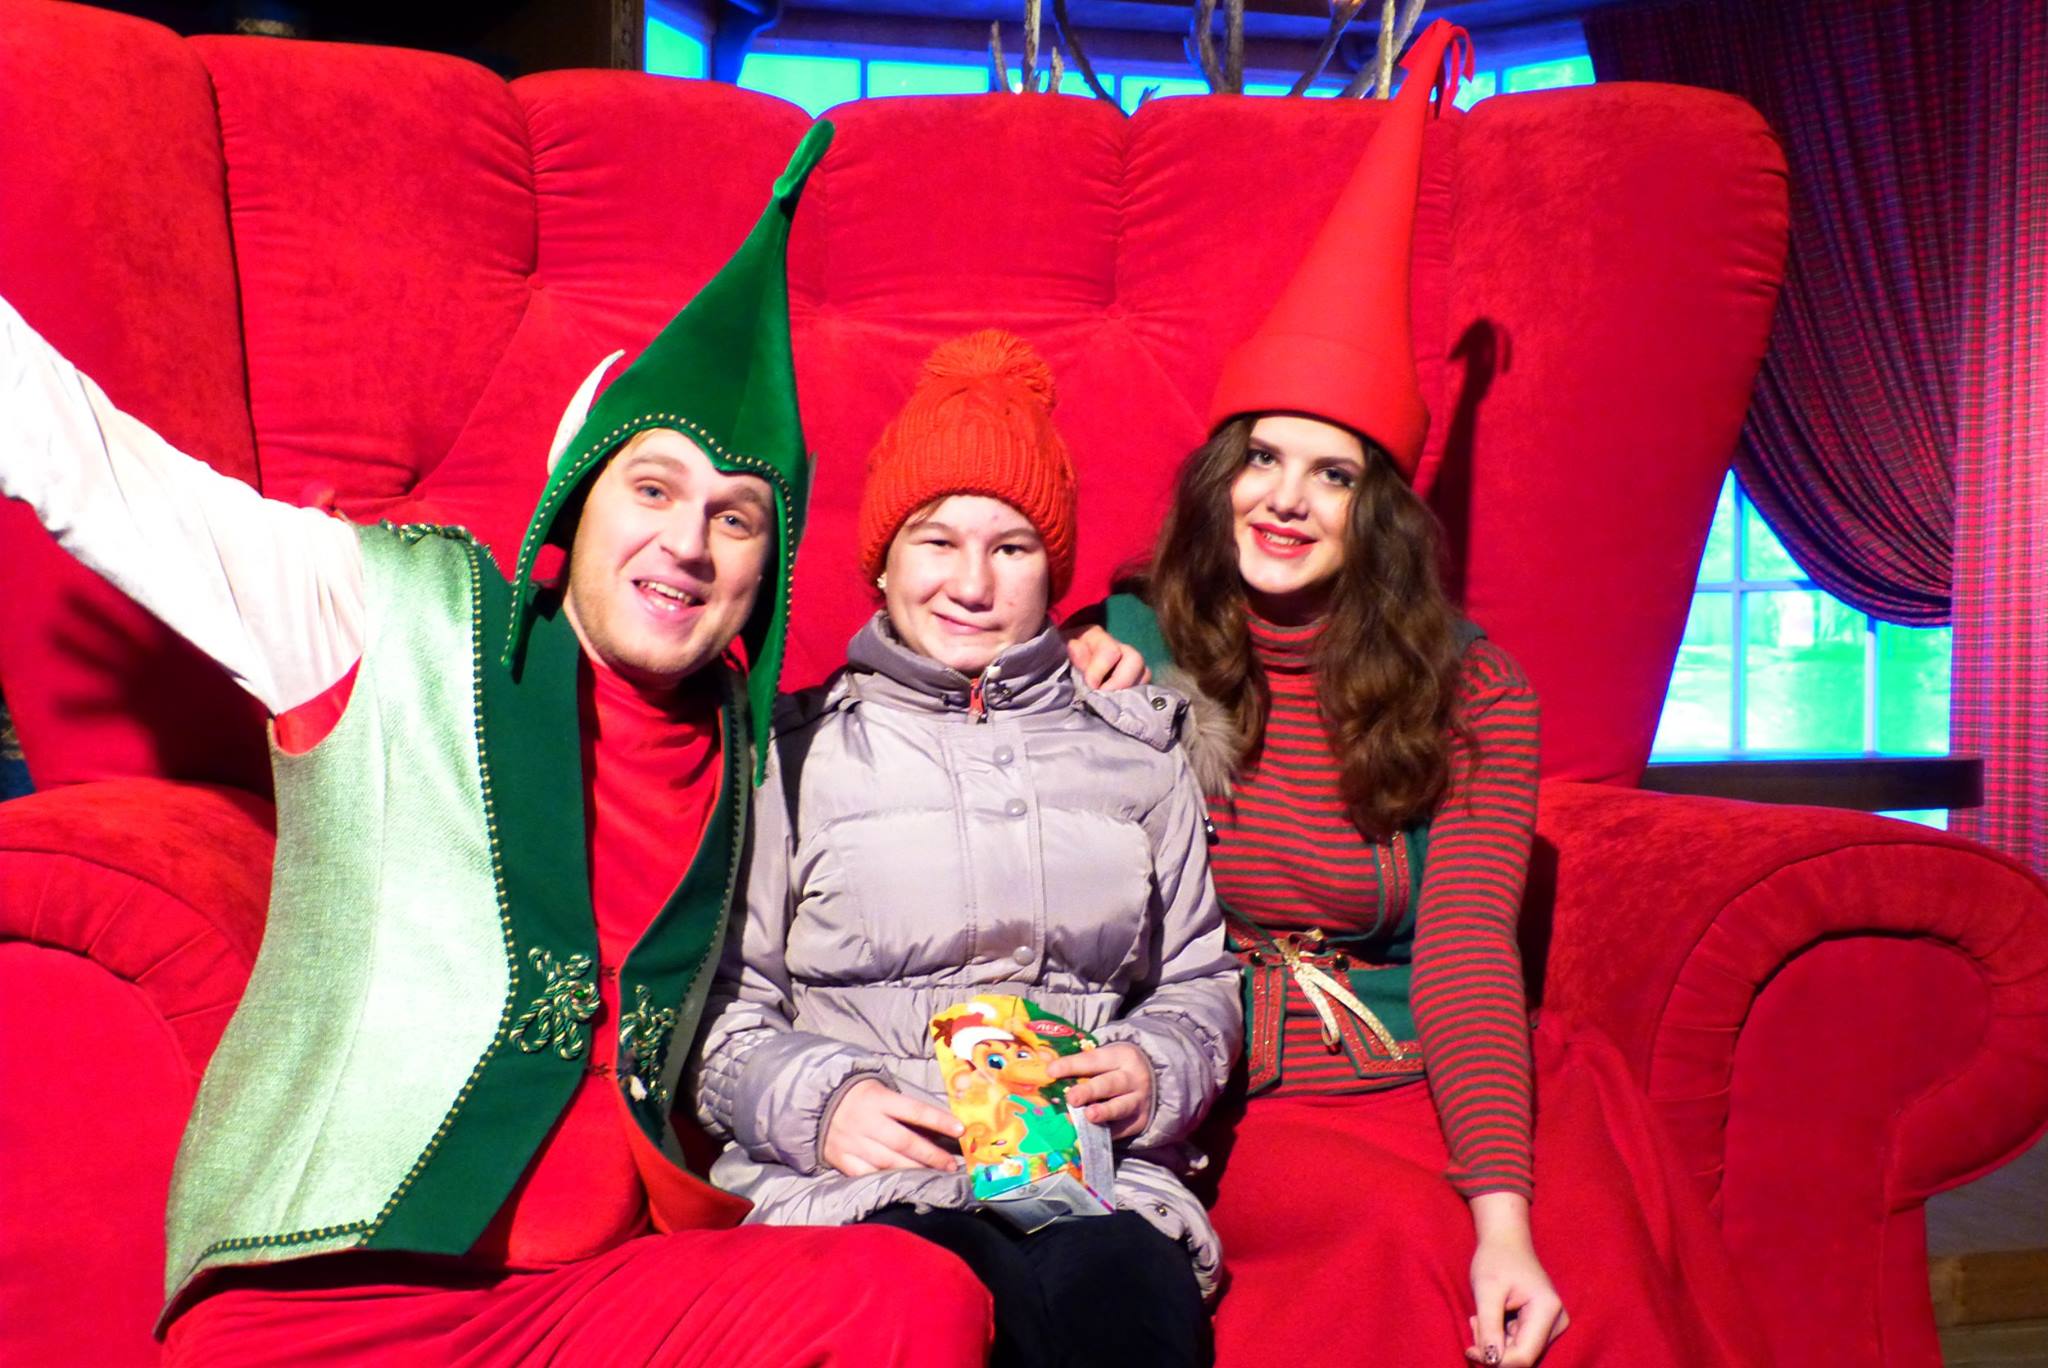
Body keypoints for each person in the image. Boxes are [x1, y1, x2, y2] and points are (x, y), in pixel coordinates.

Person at [0, 125, 993, 1366]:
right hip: (331, 1300)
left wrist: (1087, 656)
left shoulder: (753, 746)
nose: (687, 544)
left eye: (734, 518)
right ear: (576, 502)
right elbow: (98, 470)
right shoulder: (388, 614)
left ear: (766, 570)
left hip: (594, 1298)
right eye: (651, 490)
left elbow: (946, 768)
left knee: (912, 1297)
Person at [1087, 21, 1770, 1368]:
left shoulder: (1473, 691)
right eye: (1261, 459)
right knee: (1397, 1249)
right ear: (1218, 476)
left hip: (1429, 1062)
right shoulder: (1125, 640)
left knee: (1573, 1274)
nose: (1285, 499)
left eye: (1332, 474)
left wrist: (1503, 1216)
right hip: (1230, 1081)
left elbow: (1462, 952)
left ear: (1379, 512)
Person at [691, 330, 1241, 1368]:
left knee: (1129, 1315)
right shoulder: (788, 757)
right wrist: (820, 1106)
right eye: (936, 541)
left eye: (1012, 548)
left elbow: (1198, 979)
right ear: (883, 561)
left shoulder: (1138, 750)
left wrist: (1154, 1069)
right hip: (861, 1190)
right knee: (940, 1311)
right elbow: (716, 1005)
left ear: (1053, 570)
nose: (973, 584)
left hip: (1092, 1183)